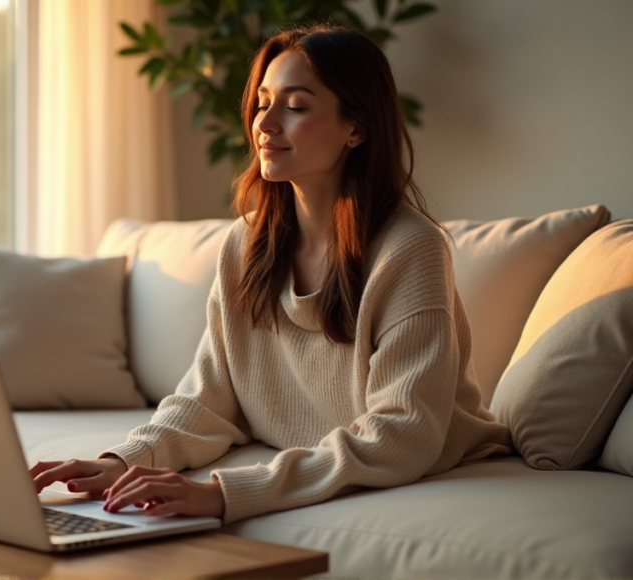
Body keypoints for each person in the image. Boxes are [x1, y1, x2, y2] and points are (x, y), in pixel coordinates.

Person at [30, 24, 512, 524]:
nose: (266, 124)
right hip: (313, 455)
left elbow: (402, 434)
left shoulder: (411, 249)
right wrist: (124, 461)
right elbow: (208, 400)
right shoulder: (244, 243)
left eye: (296, 106)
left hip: (431, 467)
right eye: (263, 103)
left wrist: (225, 493)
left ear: (356, 128)